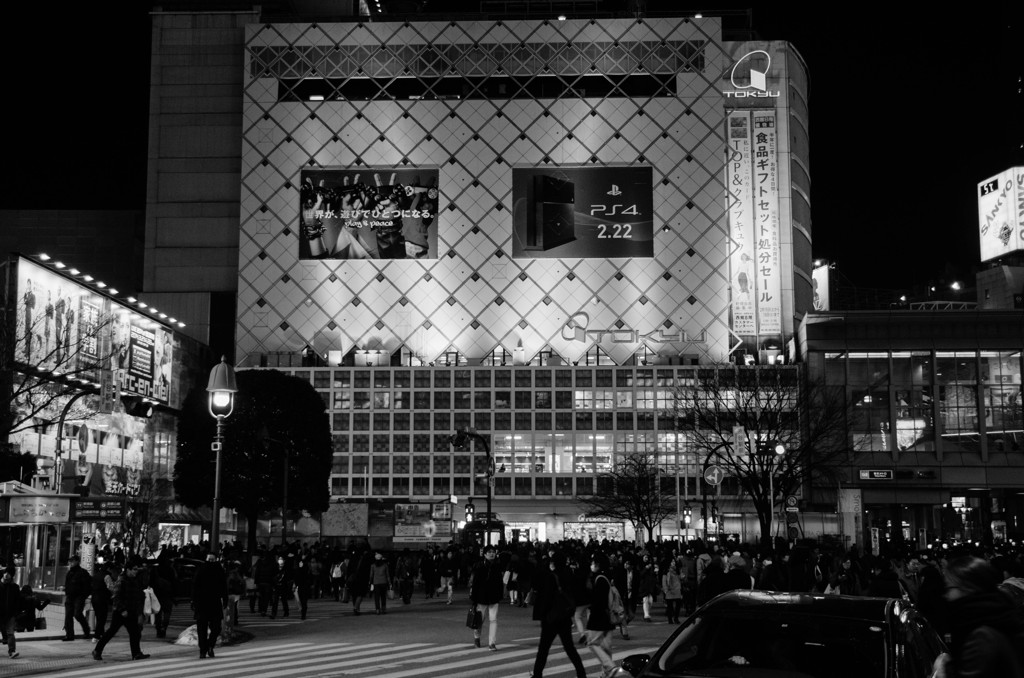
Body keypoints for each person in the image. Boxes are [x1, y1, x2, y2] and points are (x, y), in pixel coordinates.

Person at [932, 555, 1024, 678]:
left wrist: (943, 671)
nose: (946, 595)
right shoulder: (995, 614)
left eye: (949, 588)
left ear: (968, 588)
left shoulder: (981, 634)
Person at [529, 554, 588, 678]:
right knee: (570, 648)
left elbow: (546, 598)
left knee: (543, 649)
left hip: (551, 617)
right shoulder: (569, 575)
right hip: (564, 616)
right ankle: (581, 673)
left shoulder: (551, 577)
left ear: (554, 563)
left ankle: (537, 674)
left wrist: (542, 615)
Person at [93, 557, 149, 661]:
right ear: (128, 570)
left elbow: (138, 597)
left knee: (135, 632)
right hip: (120, 612)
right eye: (134, 569)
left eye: (137, 569)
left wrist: (139, 612)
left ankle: (136, 653)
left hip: (131, 611)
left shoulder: (135, 581)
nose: (136, 572)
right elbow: (116, 596)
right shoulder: (121, 580)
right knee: (111, 632)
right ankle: (97, 650)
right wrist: (122, 610)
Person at [192, 552, 228, 659]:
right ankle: (203, 649)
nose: (211, 562)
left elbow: (223, 586)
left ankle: (209, 646)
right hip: (202, 602)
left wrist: (225, 599)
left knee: (216, 627)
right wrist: (193, 600)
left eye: (213, 560)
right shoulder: (202, 569)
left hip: (213, 602)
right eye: (209, 560)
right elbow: (195, 585)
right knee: (202, 628)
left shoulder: (219, 570)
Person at [586, 554, 617, 678]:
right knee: (606, 646)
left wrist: (591, 607)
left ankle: (610, 667)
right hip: (608, 616)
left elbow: (598, 600)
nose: (591, 566)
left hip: (599, 617)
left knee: (592, 643)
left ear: (597, 565)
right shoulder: (607, 577)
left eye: (593, 563)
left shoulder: (599, 579)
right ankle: (606, 674)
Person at [469, 544, 504, 651]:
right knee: (480, 620)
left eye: (493, 552)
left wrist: (500, 595)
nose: (492, 554)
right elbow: (475, 583)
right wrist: (474, 599)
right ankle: (477, 638)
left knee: (493, 620)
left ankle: (492, 643)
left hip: (494, 597)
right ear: (484, 554)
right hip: (481, 597)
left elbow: (500, 583)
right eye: (489, 552)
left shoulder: (498, 566)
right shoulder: (479, 566)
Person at [62, 554, 92, 641]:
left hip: (79, 597)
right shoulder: (70, 573)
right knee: (68, 616)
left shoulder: (83, 573)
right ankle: (69, 635)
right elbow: (67, 584)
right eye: (69, 561)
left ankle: (86, 630)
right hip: (70, 597)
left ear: (77, 561)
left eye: (72, 561)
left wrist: (83, 596)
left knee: (77, 614)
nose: (70, 563)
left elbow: (88, 586)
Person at [0, 568, 24, 659]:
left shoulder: (15, 587)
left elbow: (18, 601)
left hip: (10, 614)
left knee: (10, 633)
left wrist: (16, 613)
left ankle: (12, 651)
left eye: (9, 573)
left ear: (12, 576)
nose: (6, 575)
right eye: (5, 573)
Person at [91, 561, 116, 640]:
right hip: (102, 599)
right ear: (109, 568)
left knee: (98, 617)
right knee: (102, 618)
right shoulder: (107, 576)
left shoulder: (96, 574)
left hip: (94, 598)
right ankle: (97, 636)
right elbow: (111, 588)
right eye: (111, 569)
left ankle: (101, 633)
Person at [270, 555, 292, 619]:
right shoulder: (275, 567)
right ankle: (274, 613)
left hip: (283, 586)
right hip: (277, 586)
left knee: (284, 600)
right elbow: (272, 576)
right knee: (275, 601)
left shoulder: (286, 568)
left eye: (281, 559)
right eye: (279, 559)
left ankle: (286, 612)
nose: (280, 560)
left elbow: (288, 578)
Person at [661, 560, 683, 624]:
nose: (674, 563)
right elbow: (664, 581)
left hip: (677, 589)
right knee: (670, 606)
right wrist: (665, 590)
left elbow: (681, 578)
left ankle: (676, 618)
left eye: (674, 562)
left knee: (678, 605)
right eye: (672, 562)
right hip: (669, 590)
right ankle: (670, 619)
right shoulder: (667, 571)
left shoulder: (678, 571)